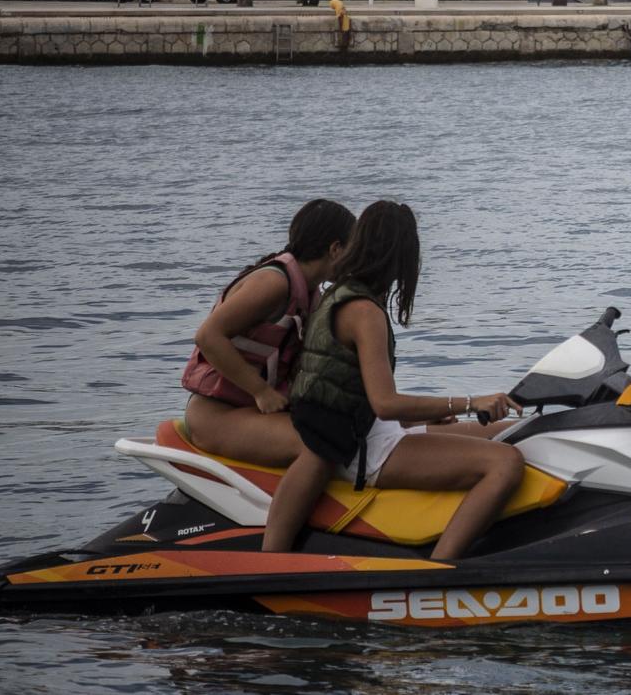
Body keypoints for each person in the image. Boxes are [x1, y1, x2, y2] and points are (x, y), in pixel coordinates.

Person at [262, 200, 523, 562]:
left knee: (513, 432)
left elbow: (358, 392)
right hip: (363, 449)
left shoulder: (339, 295)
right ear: (400, 258)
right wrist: (468, 402)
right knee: (505, 463)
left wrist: (420, 419)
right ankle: (438, 571)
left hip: (367, 431)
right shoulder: (364, 312)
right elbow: (385, 401)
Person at [182, 199, 356, 467]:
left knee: (344, 431)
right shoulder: (274, 282)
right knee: (321, 446)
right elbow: (208, 336)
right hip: (215, 415)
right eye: (352, 249)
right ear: (335, 248)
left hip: (251, 412)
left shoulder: (312, 294)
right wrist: (261, 391)